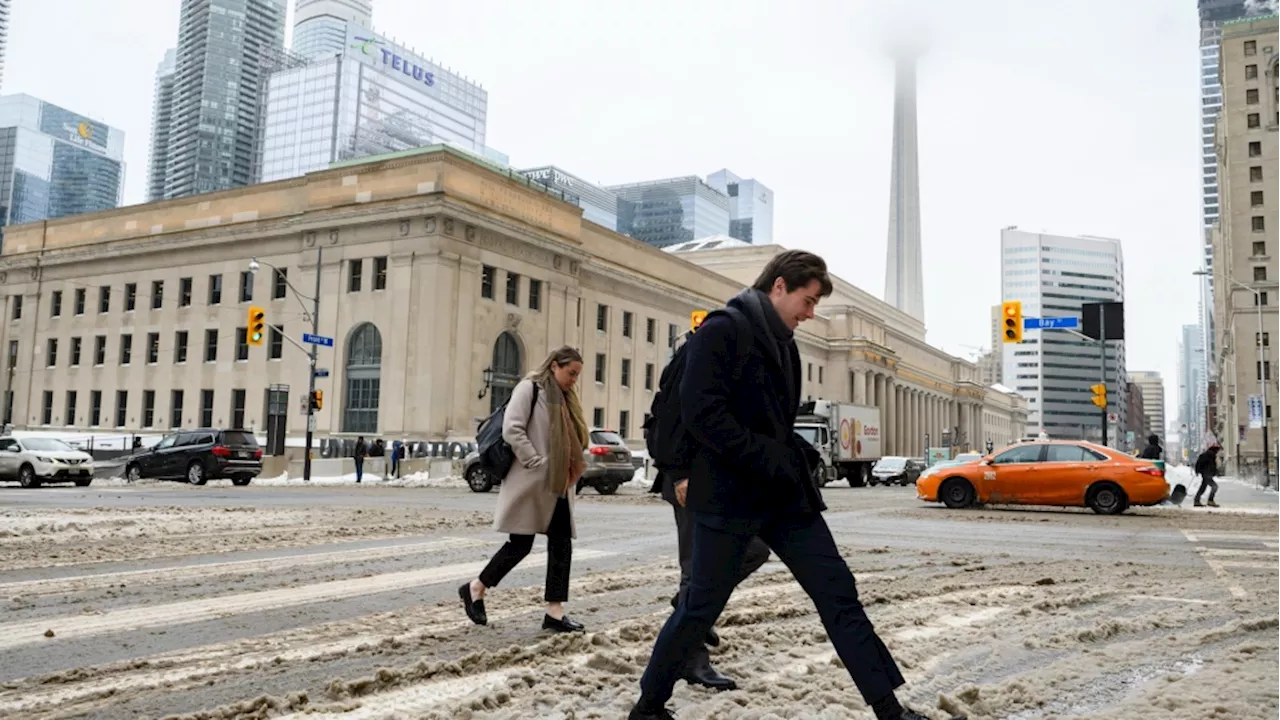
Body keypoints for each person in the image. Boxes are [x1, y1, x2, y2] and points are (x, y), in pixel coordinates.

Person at [629, 251, 960, 720]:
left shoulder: (783, 341)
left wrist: (795, 453)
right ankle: (648, 705)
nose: (810, 314)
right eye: (807, 302)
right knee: (699, 607)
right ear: (779, 286)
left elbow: (774, 421)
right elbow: (702, 416)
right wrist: (765, 455)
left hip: (784, 497)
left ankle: (890, 710)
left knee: (838, 592)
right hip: (728, 497)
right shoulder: (723, 330)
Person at [460, 346, 590, 633]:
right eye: (571, 373)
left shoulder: (566, 399)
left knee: (561, 544)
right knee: (520, 545)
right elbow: (512, 428)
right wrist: (535, 460)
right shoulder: (529, 389)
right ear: (555, 366)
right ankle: (475, 587)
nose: (574, 380)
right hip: (531, 481)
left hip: (557, 483)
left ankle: (554, 613)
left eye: (577, 375)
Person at [649, 465, 770, 691]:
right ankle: (693, 661)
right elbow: (665, 432)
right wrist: (679, 475)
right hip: (689, 482)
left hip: (722, 484)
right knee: (693, 568)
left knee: (755, 550)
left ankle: (688, 604)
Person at [1194, 443, 1221, 508]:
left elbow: (1199, 463)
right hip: (1207, 474)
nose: (1217, 452)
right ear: (1215, 450)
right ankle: (1210, 501)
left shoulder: (1207, 455)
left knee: (1203, 488)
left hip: (1206, 474)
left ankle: (1197, 501)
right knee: (1215, 487)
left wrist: (1197, 471)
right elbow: (1210, 466)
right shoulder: (1210, 456)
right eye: (1217, 451)